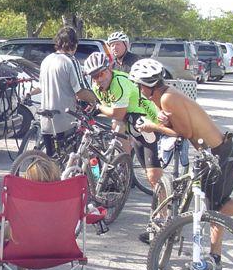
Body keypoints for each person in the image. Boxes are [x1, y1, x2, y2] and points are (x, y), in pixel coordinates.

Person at [128, 58, 233, 270]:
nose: (138, 88)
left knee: (217, 209)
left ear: (147, 85)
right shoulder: (166, 94)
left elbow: (184, 133)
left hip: (219, 155)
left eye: (138, 85)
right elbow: (183, 124)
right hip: (214, 153)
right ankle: (214, 257)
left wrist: (153, 126)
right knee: (215, 207)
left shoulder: (167, 99)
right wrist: (164, 121)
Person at [83, 52, 163, 232]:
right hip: (126, 121)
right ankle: (122, 173)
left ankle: (163, 216)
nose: (97, 79)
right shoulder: (98, 85)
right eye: (93, 76)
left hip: (145, 122)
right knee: (116, 151)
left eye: (101, 74)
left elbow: (116, 113)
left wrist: (98, 107)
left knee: (152, 176)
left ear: (109, 69)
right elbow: (107, 109)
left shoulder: (119, 82)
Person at [38, 26, 98, 156]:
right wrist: (97, 100)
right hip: (65, 119)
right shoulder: (70, 61)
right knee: (70, 159)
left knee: (51, 158)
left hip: (46, 119)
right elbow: (80, 91)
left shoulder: (46, 60)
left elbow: (41, 86)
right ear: (75, 44)